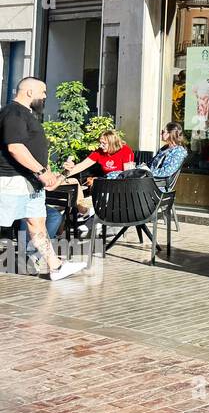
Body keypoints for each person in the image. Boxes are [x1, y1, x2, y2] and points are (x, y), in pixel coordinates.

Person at [0, 77, 86, 281]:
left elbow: (30, 148)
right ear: (29, 92)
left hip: (30, 182)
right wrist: (41, 171)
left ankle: (55, 266)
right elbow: (15, 147)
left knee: (37, 224)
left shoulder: (27, 115)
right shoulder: (13, 113)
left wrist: (52, 173)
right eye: (43, 92)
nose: (46, 96)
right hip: (14, 180)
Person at [62, 129, 134, 181]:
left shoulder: (125, 150)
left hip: (120, 182)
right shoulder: (99, 152)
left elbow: (128, 173)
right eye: (100, 143)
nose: (100, 146)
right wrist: (62, 176)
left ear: (112, 143)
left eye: (104, 143)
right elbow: (81, 166)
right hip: (107, 181)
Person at [147, 123, 188, 191]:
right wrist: (139, 168)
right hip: (150, 182)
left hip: (158, 186)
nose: (161, 134)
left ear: (170, 134)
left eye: (163, 132)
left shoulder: (179, 152)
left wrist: (148, 172)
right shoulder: (165, 148)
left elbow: (167, 171)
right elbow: (150, 164)